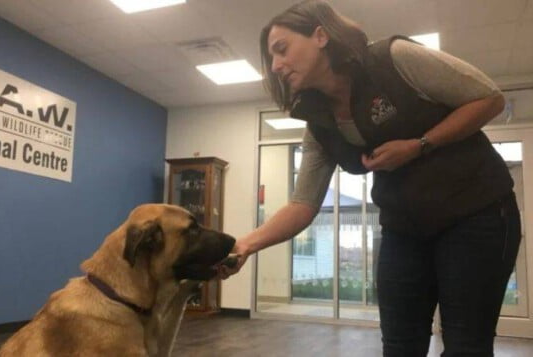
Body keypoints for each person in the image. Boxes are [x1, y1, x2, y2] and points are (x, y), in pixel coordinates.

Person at [217, 0, 522, 356]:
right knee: (399, 345)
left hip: (477, 213)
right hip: (405, 229)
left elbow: (488, 98)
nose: (276, 66)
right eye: (271, 58)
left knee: (466, 345)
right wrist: (245, 245)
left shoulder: (393, 58)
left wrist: (420, 145)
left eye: (281, 50)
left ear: (320, 36)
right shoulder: (319, 125)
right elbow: (303, 204)